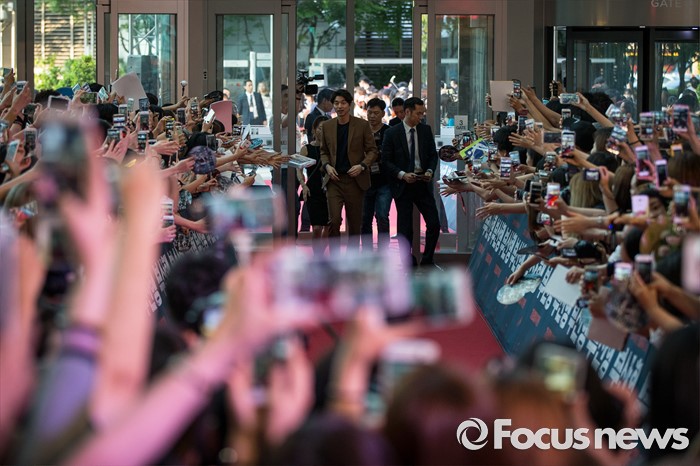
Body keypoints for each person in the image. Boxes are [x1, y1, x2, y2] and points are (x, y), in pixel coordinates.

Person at [381, 97, 440, 267]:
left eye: (423, 113)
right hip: (403, 184)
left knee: (434, 223)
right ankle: (407, 261)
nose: (421, 117)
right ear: (407, 112)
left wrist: (429, 171)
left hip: (422, 183)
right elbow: (386, 161)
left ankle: (427, 260)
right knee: (405, 227)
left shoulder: (425, 130)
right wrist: (402, 174)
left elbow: (432, 155)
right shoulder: (392, 133)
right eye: (418, 113)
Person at [319, 89, 378, 250]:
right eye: (336, 103)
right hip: (334, 180)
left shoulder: (362, 125)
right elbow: (323, 152)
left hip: (355, 180)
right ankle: (335, 258)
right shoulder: (327, 126)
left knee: (354, 223)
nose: (339, 106)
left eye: (343, 103)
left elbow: (373, 151)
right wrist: (327, 166)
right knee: (334, 220)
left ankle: (352, 259)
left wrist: (362, 165)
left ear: (350, 104)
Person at [361, 98, 391, 251]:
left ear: (383, 114)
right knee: (364, 219)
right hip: (364, 180)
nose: (372, 116)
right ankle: (367, 253)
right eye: (370, 112)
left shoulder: (389, 132)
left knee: (382, 217)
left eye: (376, 113)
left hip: (384, 181)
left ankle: (383, 252)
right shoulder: (361, 130)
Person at [298, 115, 330, 255]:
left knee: (328, 227)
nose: (322, 131)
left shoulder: (331, 149)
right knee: (316, 228)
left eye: (326, 129)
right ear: (314, 130)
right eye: (320, 128)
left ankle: (320, 254)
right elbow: (299, 169)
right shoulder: (307, 149)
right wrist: (303, 185)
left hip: (329, 190)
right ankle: (318, 254)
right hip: (313, 190)